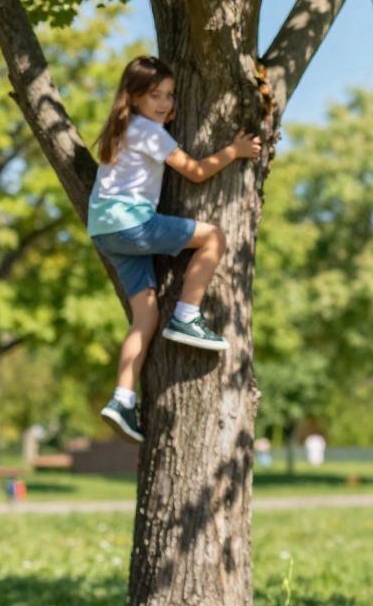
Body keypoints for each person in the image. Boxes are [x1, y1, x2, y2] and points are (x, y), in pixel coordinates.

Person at [88, 56, 261, 443]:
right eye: (155, 96)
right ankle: (186, 316)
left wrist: (161, 119)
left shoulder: (122, 127)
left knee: (145, 317)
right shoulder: (150, 132)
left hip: (104, 230)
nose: (165, 103)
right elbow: (196, 172)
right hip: (132, 224)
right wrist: (234, 151)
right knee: (214, 237)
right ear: (134, 96)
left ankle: (122, 398)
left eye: (170, 95)